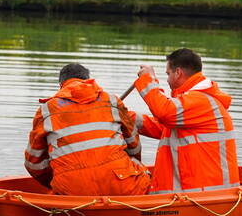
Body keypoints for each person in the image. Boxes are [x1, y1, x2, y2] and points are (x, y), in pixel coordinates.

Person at [25, 63, 150, 196]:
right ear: (88, 80)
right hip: (121, 185)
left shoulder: (46, 110)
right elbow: (134, 147)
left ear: (61, 85)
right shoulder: (111, 100)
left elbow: (33, 164)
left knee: (60, 177)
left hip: (71, 191)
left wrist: (58, 179)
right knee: (139, 167)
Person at [132, 48, 239, 194]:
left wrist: (147, 79)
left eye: (168, 74)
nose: (167, 79)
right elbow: (163, 128)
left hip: (205, 199)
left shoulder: (199, 100)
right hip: (198, 196)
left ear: (178, 73)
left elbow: (164, 113)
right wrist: (126, 117)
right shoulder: (194, 102)